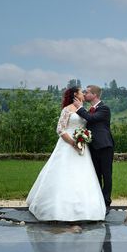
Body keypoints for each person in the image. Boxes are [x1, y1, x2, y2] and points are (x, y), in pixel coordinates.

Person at [26, 87, 107, 221]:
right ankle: (57, 208)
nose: (84, 94)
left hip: (81, 147)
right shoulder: (67, 109)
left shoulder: (83, 109)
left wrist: (83, 138)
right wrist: (73, 143)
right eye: (82, 92)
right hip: (67, 144)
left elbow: (86, 124)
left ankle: (83, 208)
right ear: (76, 94)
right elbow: (60, 129)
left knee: (82, 175)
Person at [74, 85, 114, 211]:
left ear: (95, 95)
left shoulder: (104, 108)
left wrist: (79, 108)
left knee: (106, 174)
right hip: (93, 146)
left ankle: (106, 201)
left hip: (104, 146)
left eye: (87, 92)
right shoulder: (89, 109)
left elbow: (91, 118)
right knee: (96, 174)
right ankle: (97, 200)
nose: (85, 94)